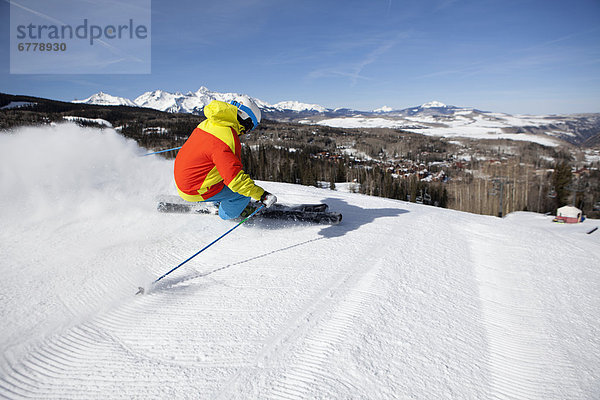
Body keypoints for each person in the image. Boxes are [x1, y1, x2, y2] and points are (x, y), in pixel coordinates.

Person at [173, 95, 277, 219]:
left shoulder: (210, 123)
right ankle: (224, 213)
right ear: (245, 120)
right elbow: (235, 181)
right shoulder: (227, 139)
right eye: (249, 128)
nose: (246, 132)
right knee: (242, 195)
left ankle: (220, 199)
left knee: (226, 178)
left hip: (185, 179)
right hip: (194, 189)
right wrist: (262, 195)